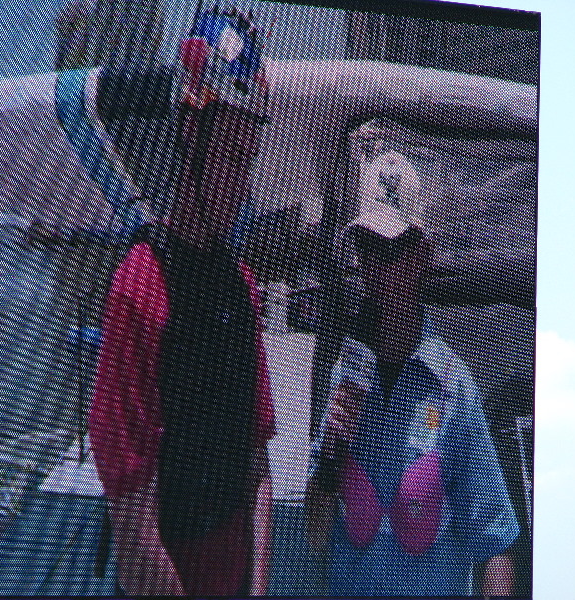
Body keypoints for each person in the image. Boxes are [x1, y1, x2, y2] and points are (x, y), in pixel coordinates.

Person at [88, 9, 275, 596]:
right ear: (188, 141)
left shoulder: (241, 282)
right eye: (228, 155)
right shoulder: (139, 286)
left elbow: (257, 459)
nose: (240, 180)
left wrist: (259, 585)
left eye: (248, 156)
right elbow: (128, 500)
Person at [305, 198, 519, 596]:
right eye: (365, 250)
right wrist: (331, 459)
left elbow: (493, 545)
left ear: (422, 255)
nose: (374, 269)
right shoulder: (346, 371)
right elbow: (315, 531)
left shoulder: (453, 387)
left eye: (387, 251)